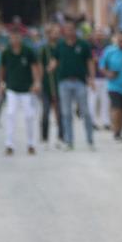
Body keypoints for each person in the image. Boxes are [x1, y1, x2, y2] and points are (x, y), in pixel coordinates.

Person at [0, 27, 42, 156]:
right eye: (12, 37)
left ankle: (31, 144)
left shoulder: (28, 51)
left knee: (29, 115)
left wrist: (36, 82)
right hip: (12, 88)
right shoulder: (6, 52)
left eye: (17, 37)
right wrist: (0, 83)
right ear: (10, 38)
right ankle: (9, 144)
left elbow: (34, 67)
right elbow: (2, 69)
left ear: (21, 38)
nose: (15, 40)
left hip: (26, 89)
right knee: (10, 114)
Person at [52, 22, 96, 150]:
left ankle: (90, 140)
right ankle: (69, 141)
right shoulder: (60, 45)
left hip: (79, 82)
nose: (69, 32)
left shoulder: (83, 45)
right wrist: (51, 66)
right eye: (67, 30)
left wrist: (91, 79)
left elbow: (89, 62)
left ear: (75, 31)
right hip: (64, 82)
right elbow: (55, 60)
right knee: (66, 113)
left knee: (85, 111)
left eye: (71, 29)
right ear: (64, 32)